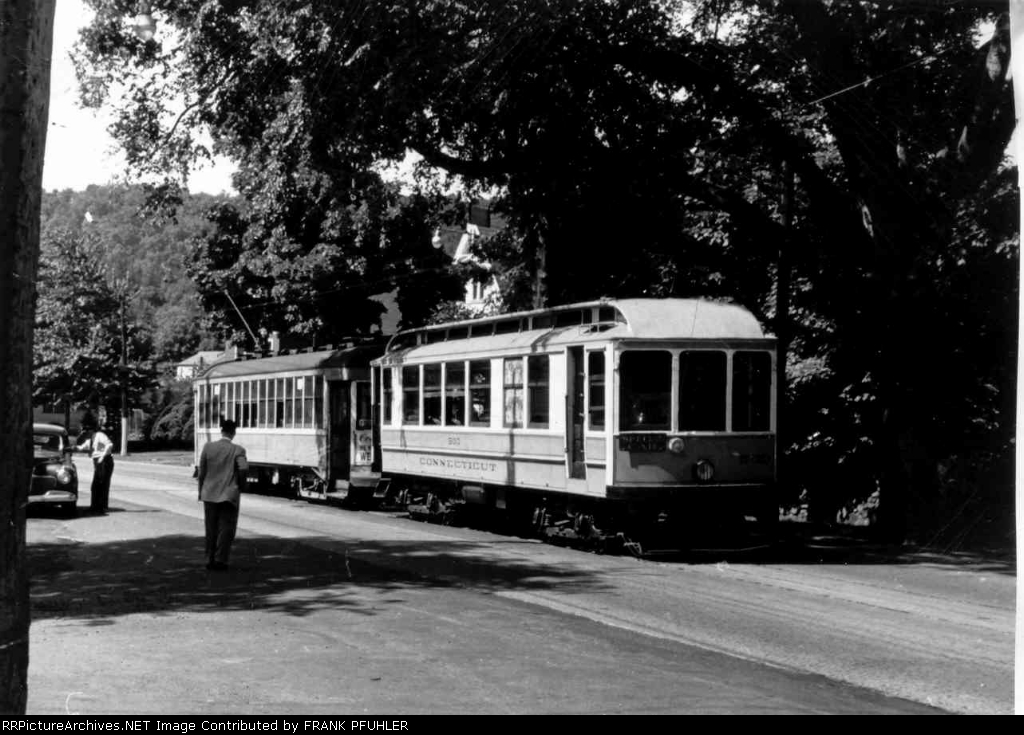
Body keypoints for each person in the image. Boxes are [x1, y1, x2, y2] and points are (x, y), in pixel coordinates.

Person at [197, 419, 248, 571]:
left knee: (210, 528)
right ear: (234, 433)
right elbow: (243, 468)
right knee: (226, 529)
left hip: (209, 494)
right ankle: (221, 560)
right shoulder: (238, 450)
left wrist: (201, 491)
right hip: (229, 495)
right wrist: (240, 485)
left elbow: (202, 472)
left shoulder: (208, 447)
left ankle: (209, 559)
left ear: (221, 431)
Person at [76, 420, 114, 514]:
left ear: (91, 430)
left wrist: (103, 456)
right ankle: (95, 506)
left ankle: (101, 508)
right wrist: (72, 448)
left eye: (87, 431)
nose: (85, 433)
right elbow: (82, 447)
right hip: (97, 461)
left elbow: (109, 445)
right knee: (95, 486)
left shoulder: (100, 435)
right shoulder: (90, 439)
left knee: (101, 484)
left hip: (105, 460)